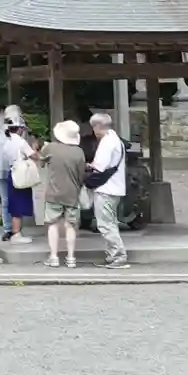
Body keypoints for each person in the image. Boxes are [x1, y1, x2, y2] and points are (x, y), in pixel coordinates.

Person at [38, 118, 89, 268]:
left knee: (53, 224)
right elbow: (81, 175)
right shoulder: (79, 152)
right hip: (72, 194)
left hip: (53, 193)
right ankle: (71, 258)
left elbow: (41, 162)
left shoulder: (50, 148)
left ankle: (53, 257)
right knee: (70, 226)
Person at [85, 112, 131, 269]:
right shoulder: (116, 139)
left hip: (106, 188)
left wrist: (88, 166)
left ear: (98, 126)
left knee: (105, 224)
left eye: (93, 127)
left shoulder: (107, 142)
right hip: (115, 187)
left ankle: (118, 255)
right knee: (110, 223)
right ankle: (112, 254)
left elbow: (99, 166)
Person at [0, 116, 36, 241]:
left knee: (14, 202)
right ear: (20, 129)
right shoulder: (21, 142)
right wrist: (36, 148)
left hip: (12, 172)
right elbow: (34, 155)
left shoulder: (7, 142)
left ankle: (15, 231)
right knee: (20, 203)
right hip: (21, 174)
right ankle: (16, 233)